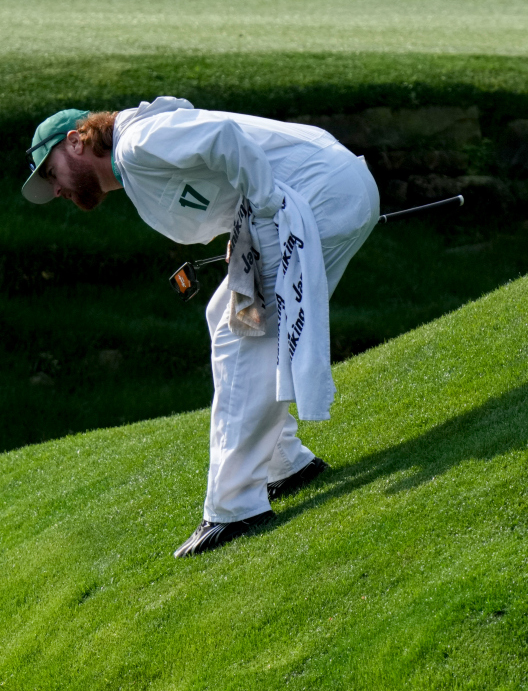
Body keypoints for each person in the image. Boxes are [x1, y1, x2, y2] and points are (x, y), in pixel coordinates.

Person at [23, 97, 379, 557]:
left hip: (318, 196)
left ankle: (234, 507)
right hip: (321, 192)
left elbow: (224, 140)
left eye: (51, 174)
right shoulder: (135, 156)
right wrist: (244, 227)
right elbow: (220, 168)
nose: (56, 191)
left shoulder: (136, 144)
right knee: (224, 315)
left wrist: (266, 205)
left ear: (76, 141)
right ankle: (286, 464)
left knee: (243, 336)